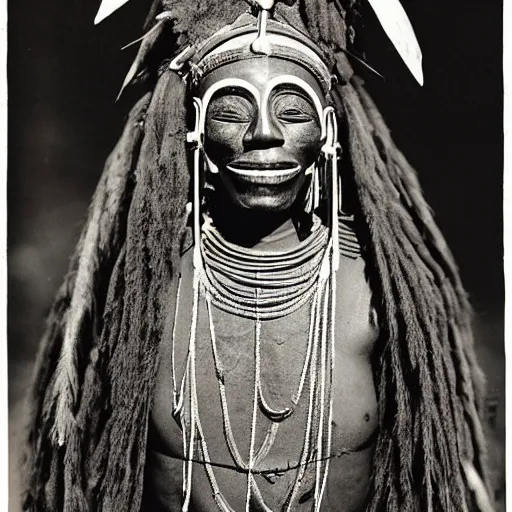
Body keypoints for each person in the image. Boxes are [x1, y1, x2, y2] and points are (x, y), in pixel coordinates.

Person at [22, 0, 493, 511]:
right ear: (196, 129)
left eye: (292, 110)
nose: (264, 133)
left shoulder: (380, 292)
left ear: (328, 131)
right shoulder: (142, 293)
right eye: (231, 110)